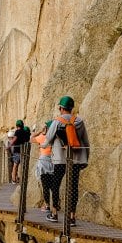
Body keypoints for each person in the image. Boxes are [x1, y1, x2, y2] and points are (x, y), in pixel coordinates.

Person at [42, 96, 89, 225]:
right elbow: (85, 141)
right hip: (76, 160)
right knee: (73, 187)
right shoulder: (79, 121)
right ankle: (72, 217)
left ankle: (54, 213)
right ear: (72, 108)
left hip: (60, 160)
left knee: (55, 185)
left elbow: (48, 139)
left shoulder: (57, 121)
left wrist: (43, 145)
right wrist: (85, 159)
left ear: (61, 108)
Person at [33, 121, 56, 213]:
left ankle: (47, 205)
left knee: (45, 185)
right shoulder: (55, 138)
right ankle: (55, 205)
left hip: (43, 162)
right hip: (53, 161)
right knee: (53, 186)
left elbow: (31, 139)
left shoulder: (43, 137)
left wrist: (39, 132)